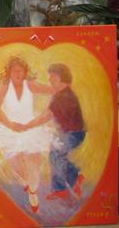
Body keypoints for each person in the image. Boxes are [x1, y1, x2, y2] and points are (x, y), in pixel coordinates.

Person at [0, 57, 55, 213]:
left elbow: (50, 90)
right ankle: (26, 183)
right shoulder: (4, 88)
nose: (18, 74)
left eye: (20, 71)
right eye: (14, 71)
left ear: (25, 72)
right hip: (10, 129)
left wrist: (61, 88)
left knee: (33, 162)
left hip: (30, 128)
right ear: (9, 73)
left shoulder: (30, 85)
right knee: (17, 166)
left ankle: (33, 193)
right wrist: (10, 124)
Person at [21, 63, 86, 201]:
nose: (50, 79)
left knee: (55, 155)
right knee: (55, 155)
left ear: (61, 77)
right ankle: (62, 187)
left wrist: (27, 126)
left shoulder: (63, 96)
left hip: (74, 134)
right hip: (67, 132)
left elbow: (46, 116)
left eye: (53, 76)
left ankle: (73, 179)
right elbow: (47, 94)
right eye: (50, 76)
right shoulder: (61, 92)